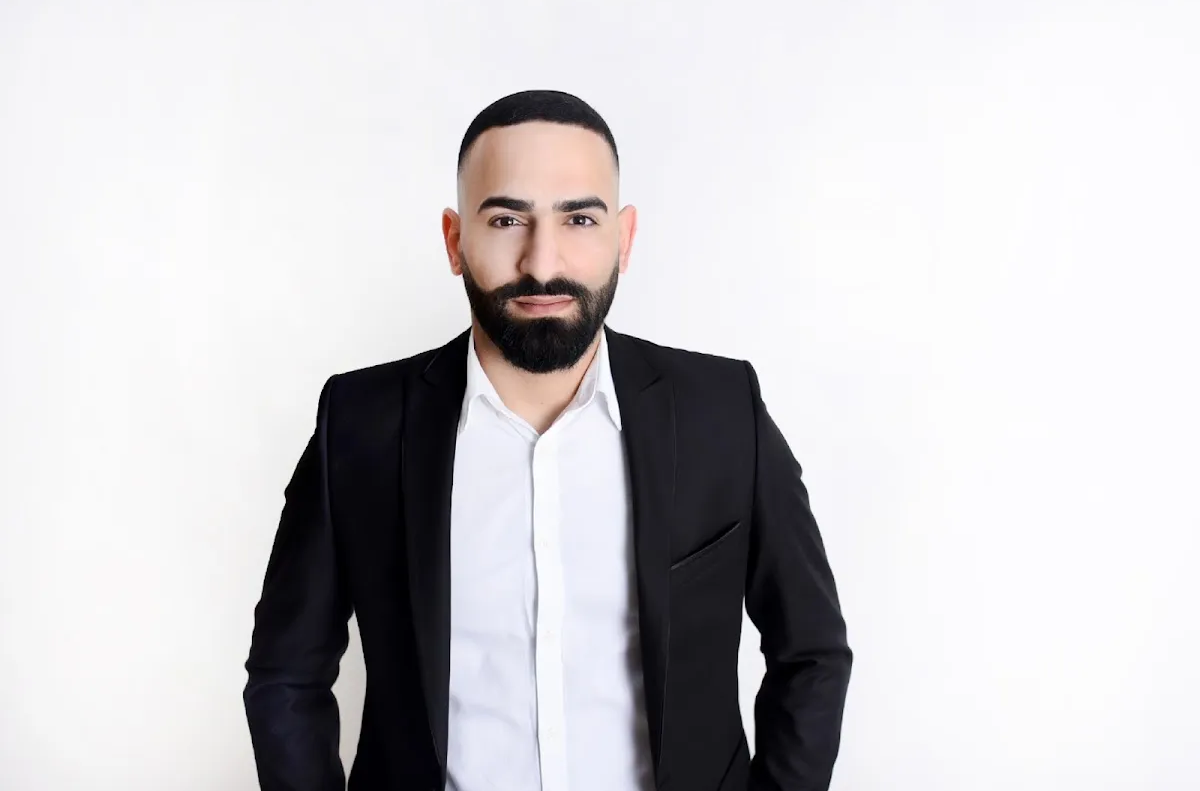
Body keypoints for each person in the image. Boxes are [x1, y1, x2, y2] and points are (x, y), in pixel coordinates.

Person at [243, 89, 852, 791]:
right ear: (454, 240)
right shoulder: (360, 423)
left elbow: (812, 653)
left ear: (624, 237)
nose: (541, 261)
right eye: (506, 219)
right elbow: (286, 676)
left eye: (579, 218)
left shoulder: (723, 411)